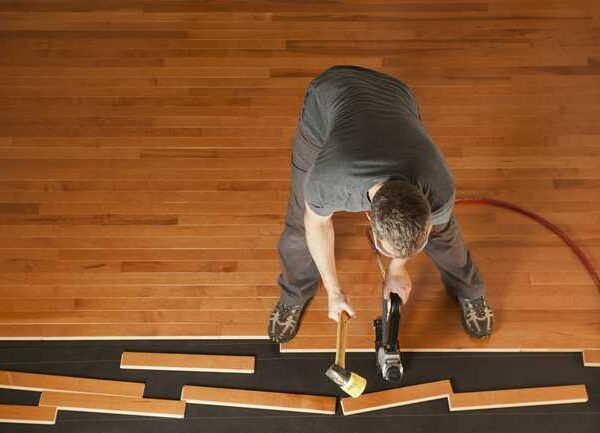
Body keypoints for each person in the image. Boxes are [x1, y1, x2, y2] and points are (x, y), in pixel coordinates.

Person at [268, 65, 493, 344]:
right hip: (330, 94)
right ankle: (293, 293)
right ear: (370, 222)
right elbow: (316, 224)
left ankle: (470, 290)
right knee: (300, 224)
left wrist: (397, 269)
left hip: (393, 93)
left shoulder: (438, 185)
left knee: (445, 230)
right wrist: (334, 291)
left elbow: (424, 231)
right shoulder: (330, 181)